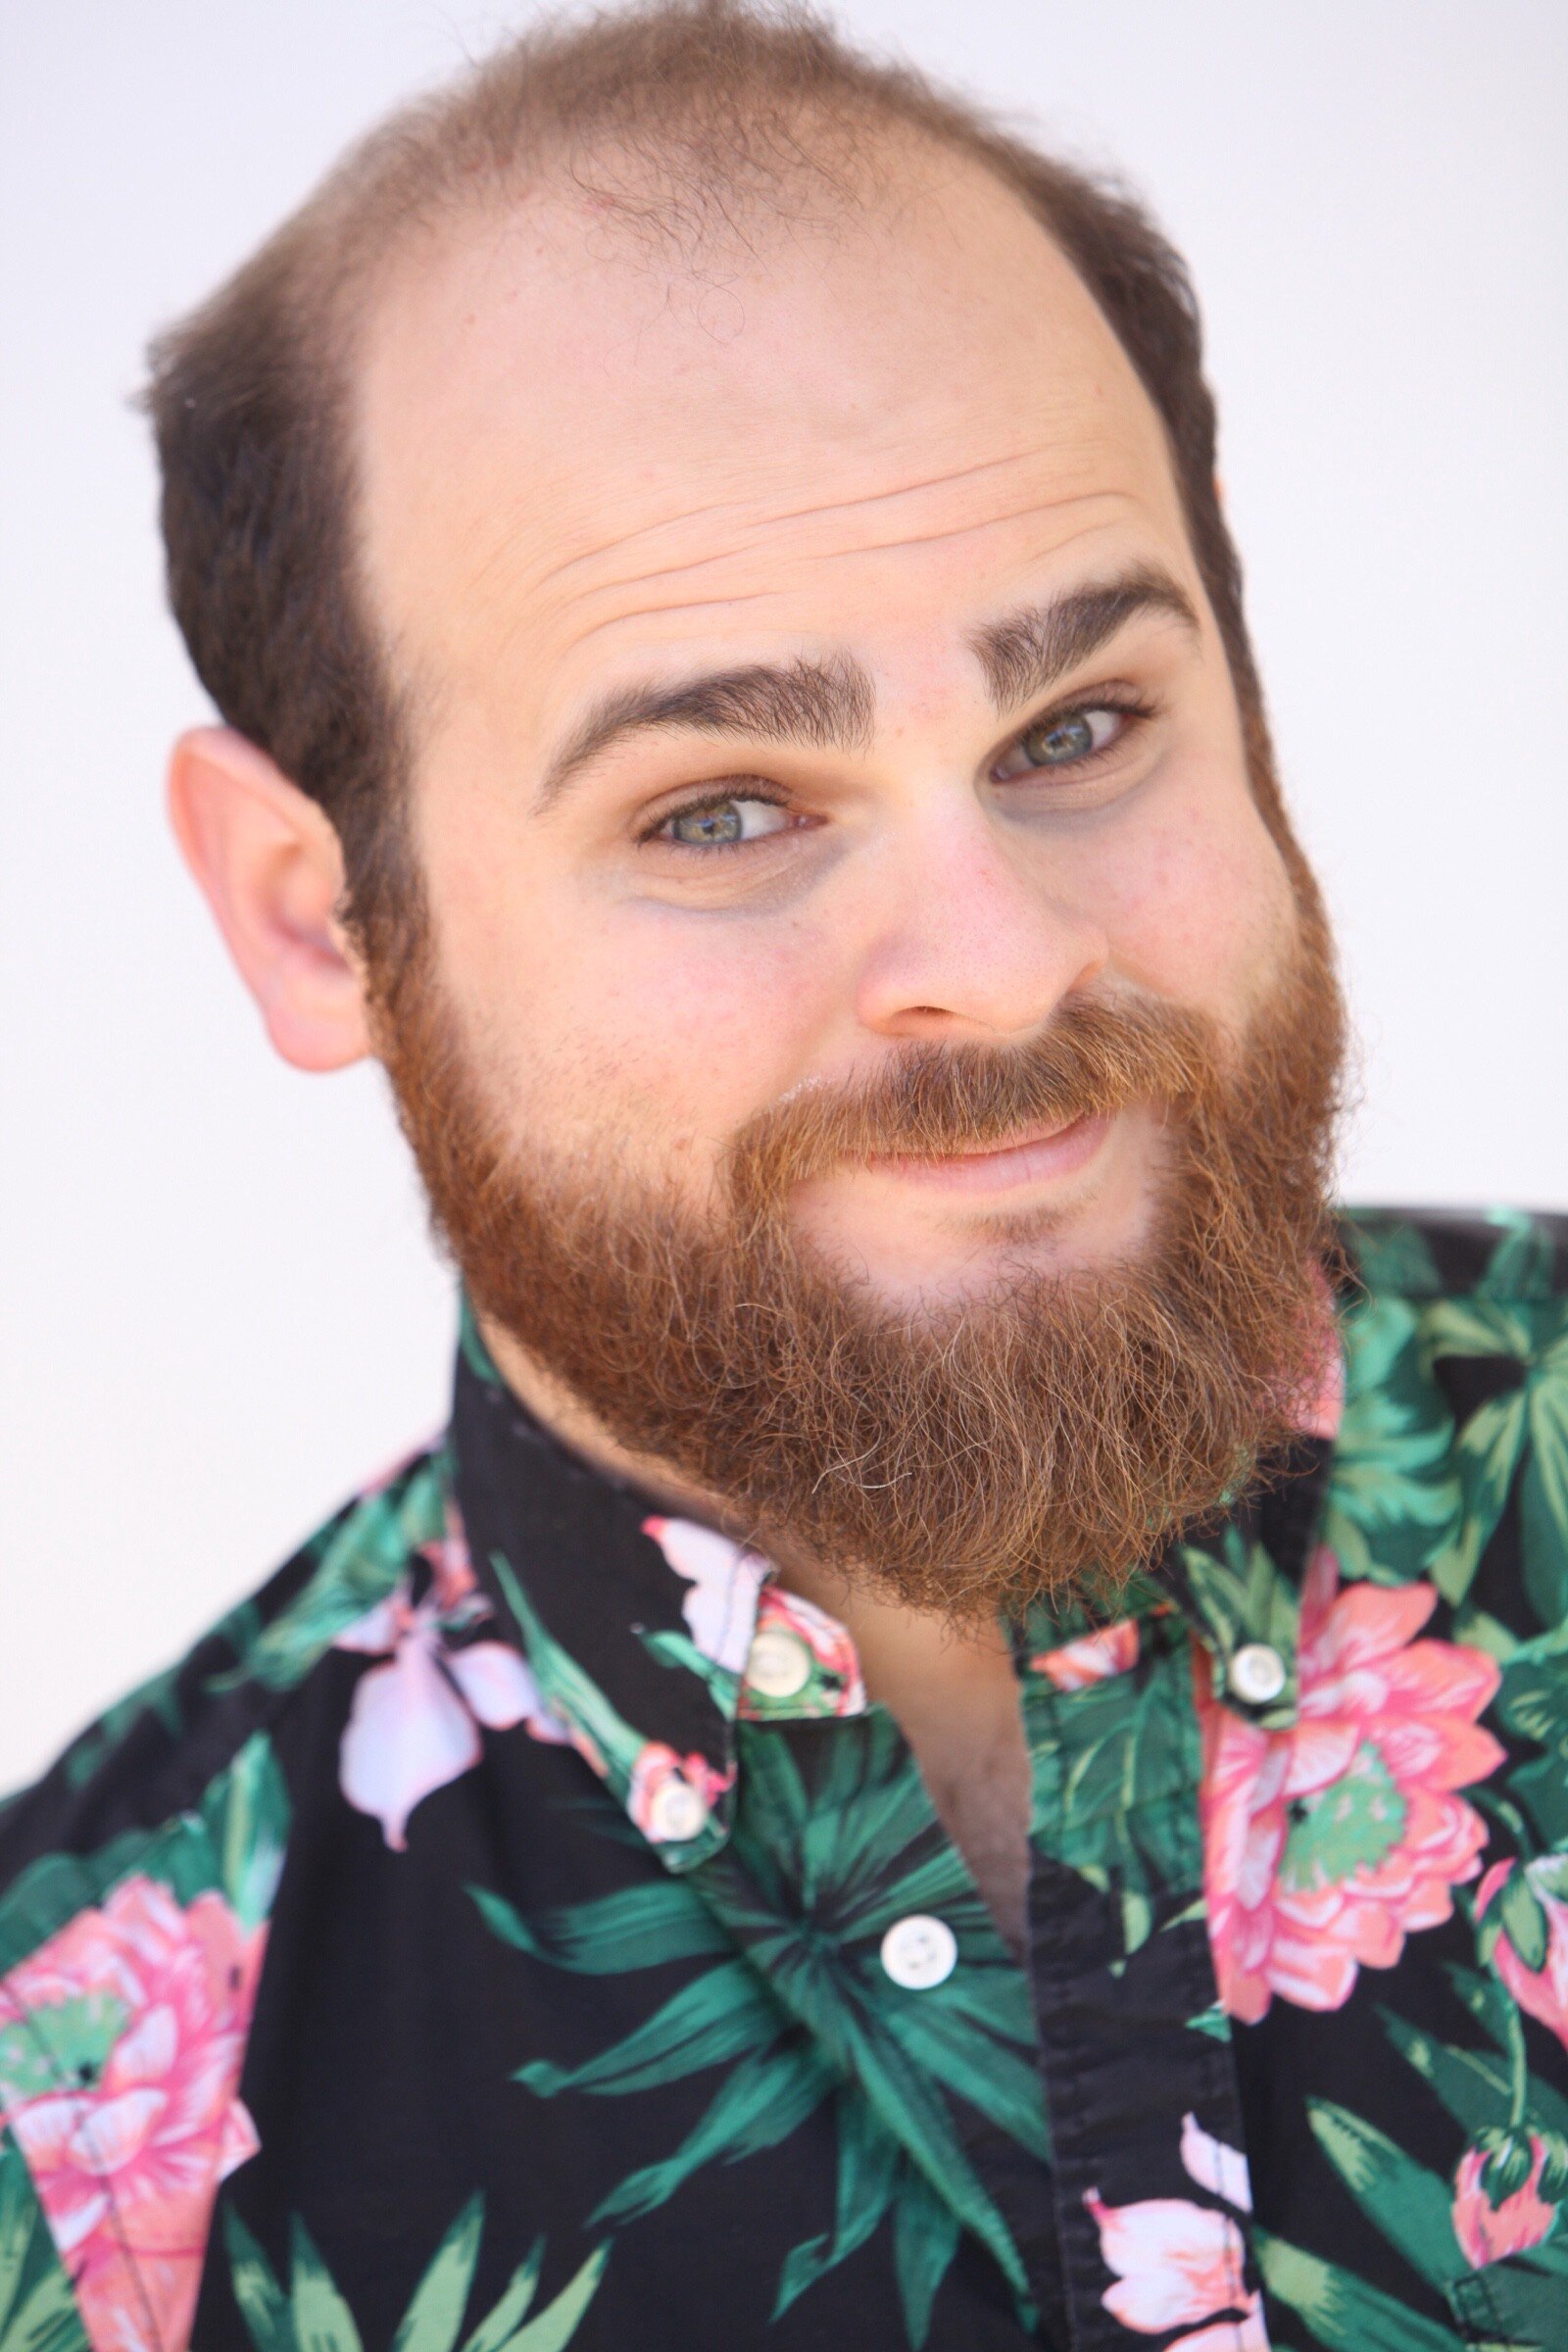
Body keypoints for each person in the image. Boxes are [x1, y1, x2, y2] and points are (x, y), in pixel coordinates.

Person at [1, 3, 1563, 2346]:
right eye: (718, 808)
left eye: (1078, 724)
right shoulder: (70, 2156)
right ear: (316, 918)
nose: (1000, 966)